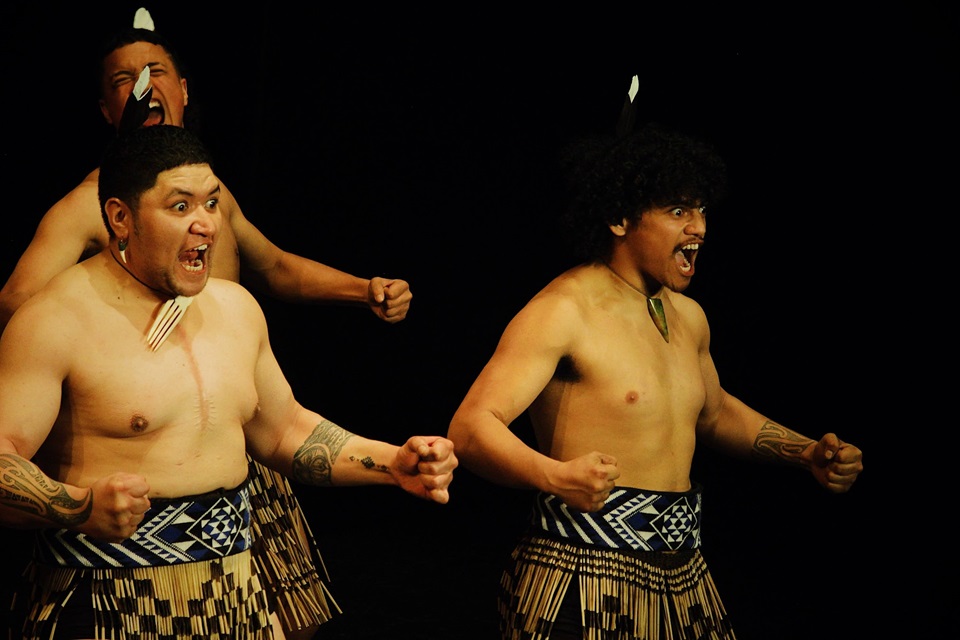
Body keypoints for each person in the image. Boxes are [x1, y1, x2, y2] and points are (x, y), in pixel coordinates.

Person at [0, 14, 412, 640]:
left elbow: (287, 425)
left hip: (231, 575)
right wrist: (79, 505)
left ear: (185, 90)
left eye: (210, 204)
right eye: (180, 208)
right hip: (110, 593)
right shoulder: (61, 303)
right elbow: (19, 309)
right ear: (120, 219)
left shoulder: (233, 302)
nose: (206, 225)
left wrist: (392, 461)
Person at [446, 119, 864, 639]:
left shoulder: (688, 317)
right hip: (580, 576)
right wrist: (553, 476)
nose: (700, 228)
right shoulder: (563, 310)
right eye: (678, 211)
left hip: (685, 578)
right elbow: (469, 427)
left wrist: (803, 452)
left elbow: (713, 411)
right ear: (620, 218)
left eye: (701, 210)